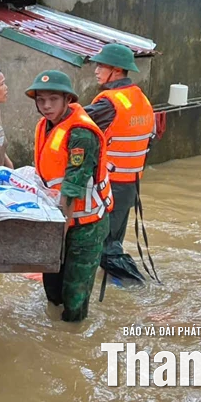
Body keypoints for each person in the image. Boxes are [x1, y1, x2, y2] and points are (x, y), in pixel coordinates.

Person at [26, 70, 113, 322]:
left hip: (85, 226)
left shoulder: (81, 135)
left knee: (74, 298)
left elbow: (71, 190)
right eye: (41, 100)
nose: (46, 106)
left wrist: (55, 238)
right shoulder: (44, 126)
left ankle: (74, 335)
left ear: (67, 99)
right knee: (52, 291)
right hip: (56, 220)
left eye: (53, 99)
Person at [83, 44, 155, 276]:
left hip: (110, 183)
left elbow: (77, 122)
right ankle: (117, 282)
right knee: (114, 239)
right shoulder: (140, 98)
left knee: (105, 247)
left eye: (100, 65)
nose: (95, 70)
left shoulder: (109, 102)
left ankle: (135, 286)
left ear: (115, 70)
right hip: (130, 182)